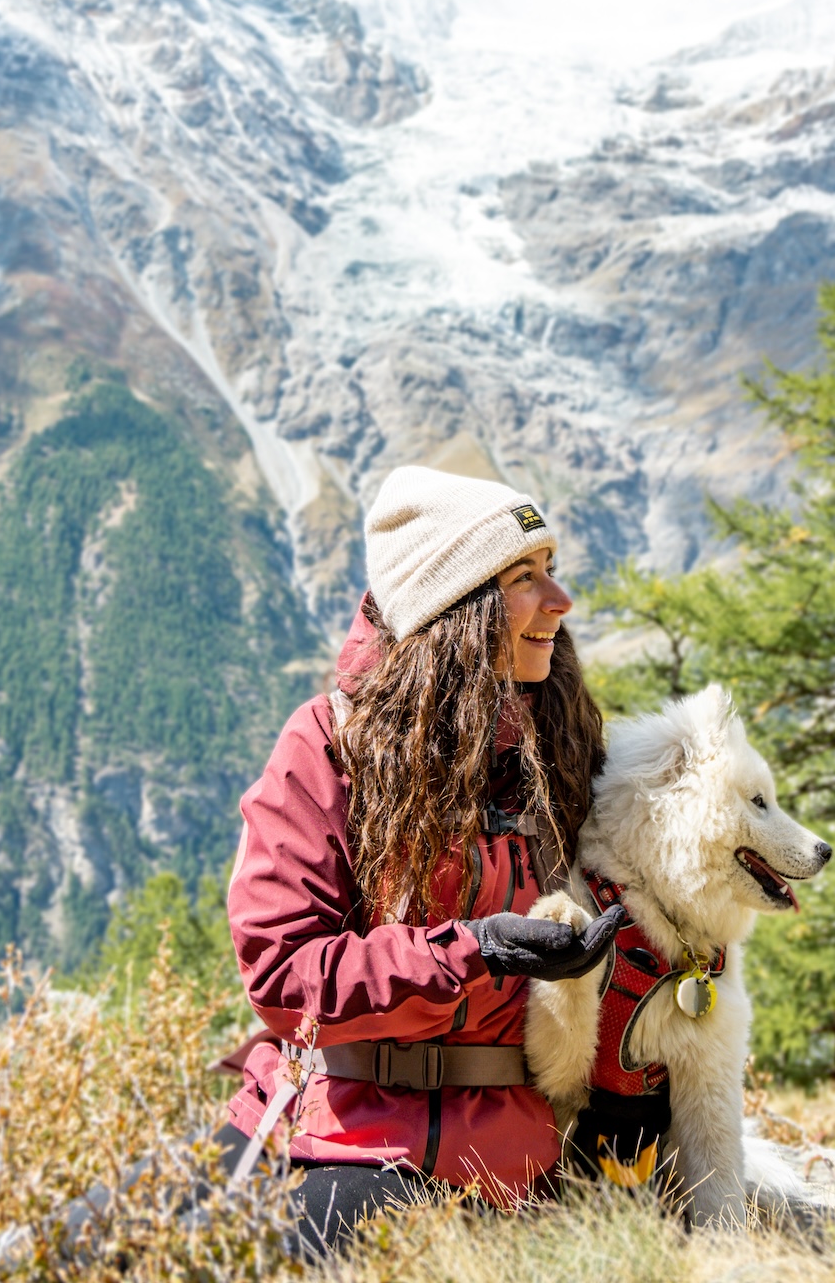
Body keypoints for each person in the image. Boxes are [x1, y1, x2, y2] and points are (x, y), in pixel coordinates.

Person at [221, 465, 623, 1255]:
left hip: (477, 1158)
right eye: (524, 578)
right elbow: (282, 975)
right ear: (456, 610)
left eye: (551, 570)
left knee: (230, 1259)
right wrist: (475, 951)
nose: (560, 600)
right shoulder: (329, 744)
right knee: (76, 1245)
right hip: (308, 1118)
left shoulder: (568, 749)